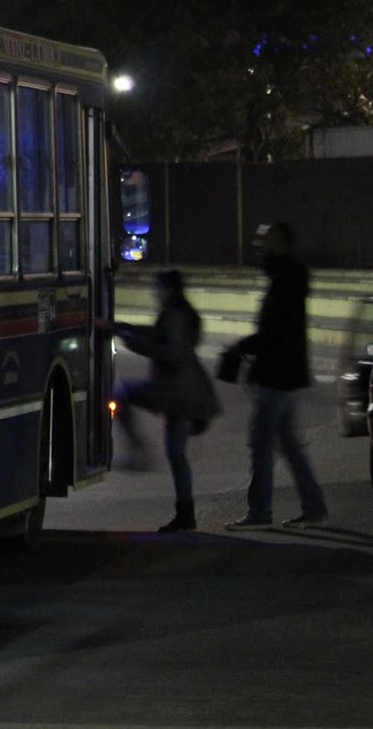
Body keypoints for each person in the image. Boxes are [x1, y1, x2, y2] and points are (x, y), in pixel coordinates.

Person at [223, 221, 330, 530]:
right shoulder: (288, 278)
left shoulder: (284, 281)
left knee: (261, 445)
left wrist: (242, 347)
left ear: (281, 242)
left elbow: (274, 332)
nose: (259, 246)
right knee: (290, 446)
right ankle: (314, 508)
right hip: (287, 375)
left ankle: (260, 512)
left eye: (264, 241)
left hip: (277, 376)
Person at [101, 269, 221, 532]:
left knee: (120, 393)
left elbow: (170, 352)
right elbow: (155, 333)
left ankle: (137, 450)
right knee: (177, 454)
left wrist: (130, 342)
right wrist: (121, 328)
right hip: (185, 392)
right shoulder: (180, 313)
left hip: (175, 391)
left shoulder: (174, 315)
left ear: (167, 289)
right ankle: (185, 512)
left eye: (157, 288)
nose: (154, 293)